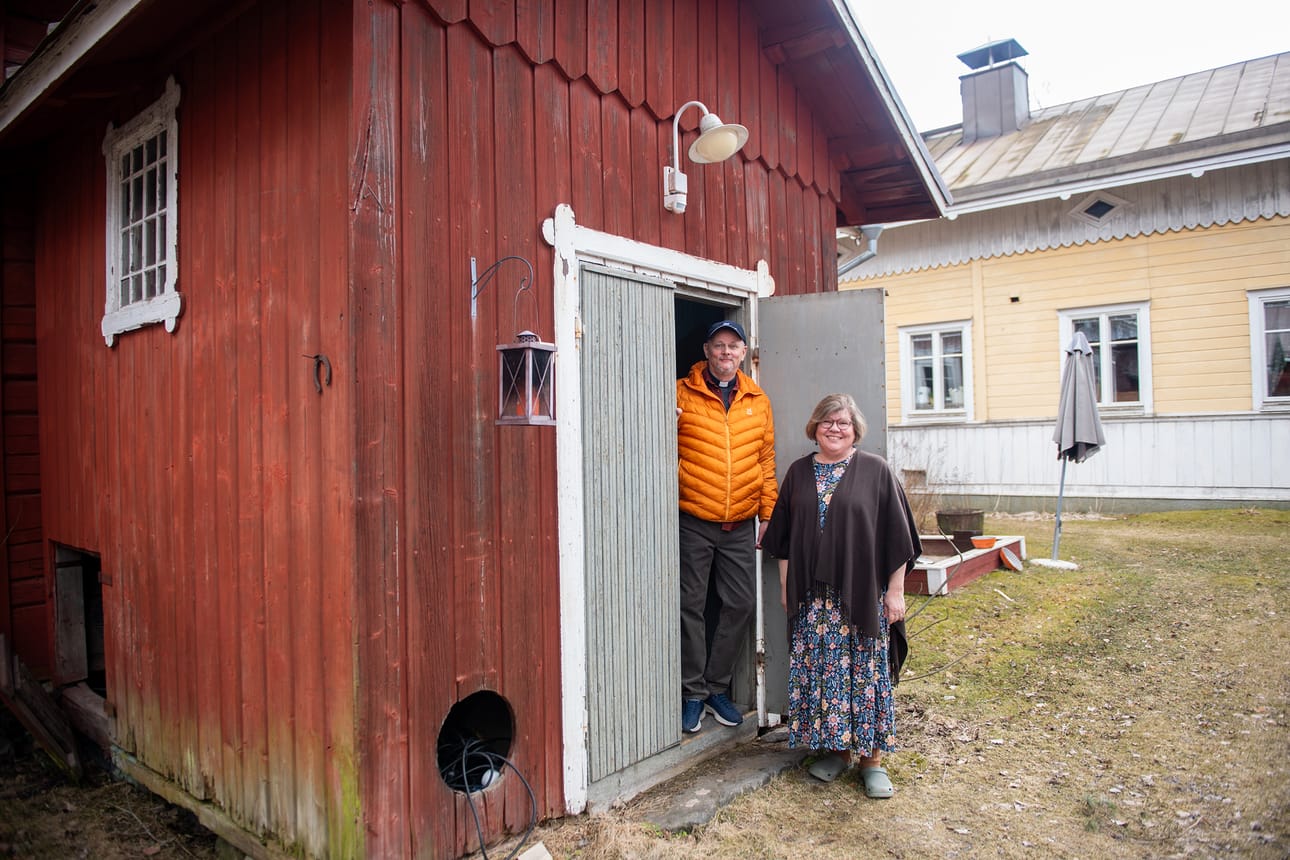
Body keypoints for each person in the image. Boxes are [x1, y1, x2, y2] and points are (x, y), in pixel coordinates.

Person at [760, 393, 921, 799]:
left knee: (865, 674)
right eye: (827, 422)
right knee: (824, 675)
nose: (835, 429)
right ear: (815, 427)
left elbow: (898, 539)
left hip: (862, 594)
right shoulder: (798, 473)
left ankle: (872, 762)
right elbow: (783, 540)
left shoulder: (876, 471)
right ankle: (836, 751)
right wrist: (785, 587)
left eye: (843, 423)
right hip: (813, 601)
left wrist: (896, 592)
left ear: (855, 430)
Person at [675, 320, 778, 734]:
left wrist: (767, 513)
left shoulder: (758, 400)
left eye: (734, 347)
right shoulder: (681, 393)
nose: (726, 353)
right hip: (693, 518)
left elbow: (766, 461)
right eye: (719, 345)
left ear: (743, 353)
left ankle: (716, 687)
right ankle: (692, 694)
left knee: (740, 604)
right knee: (690, 606)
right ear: (706, 350)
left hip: (739, 523)